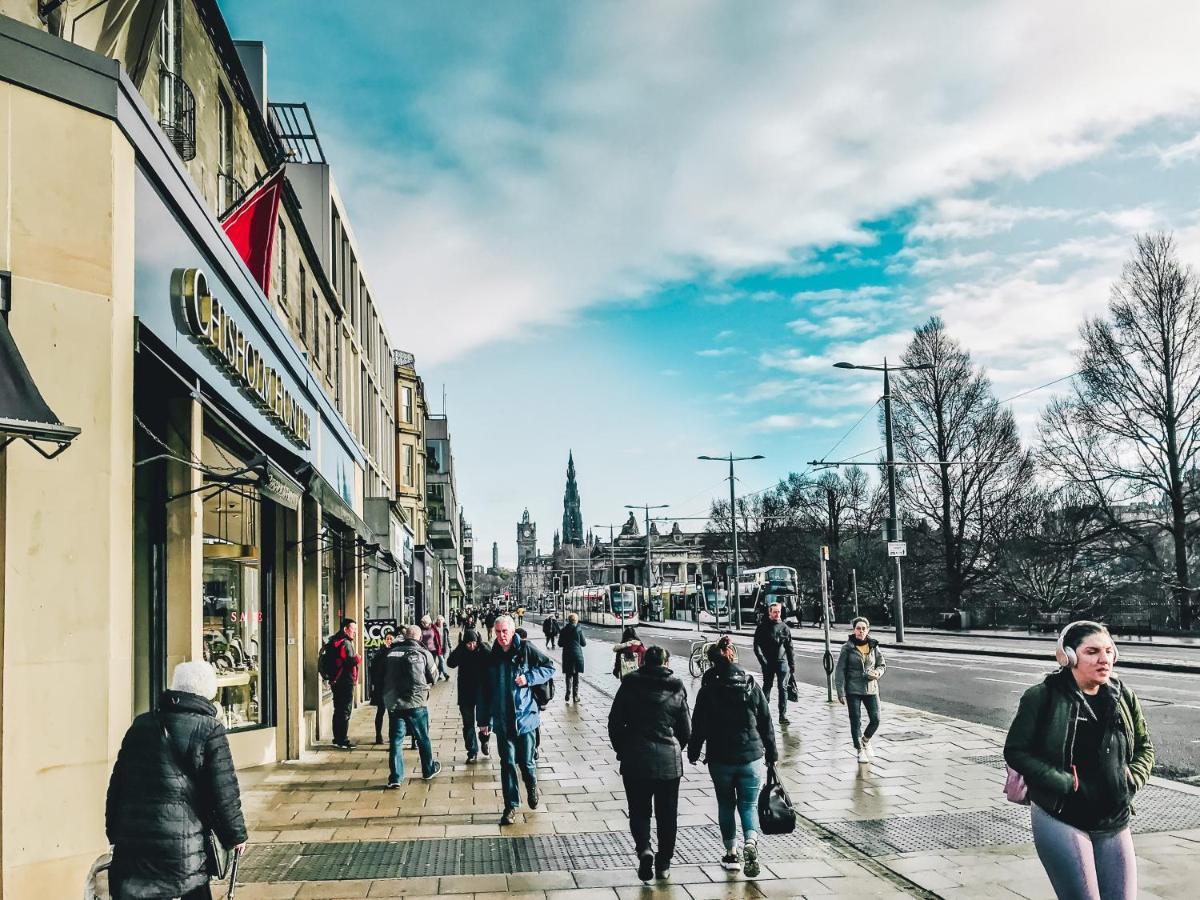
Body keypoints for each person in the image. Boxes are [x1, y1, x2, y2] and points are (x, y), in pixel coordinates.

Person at [1004, 621, 1153, 900]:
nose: (1103, 659)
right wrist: (1063, 781)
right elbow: (1016, 751)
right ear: (1068, 657)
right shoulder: (1043, 697)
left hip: (1114, 817)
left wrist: (1132, 778)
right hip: (1062, 815)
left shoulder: (1123, 696)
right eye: (1092, 651)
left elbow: (1145, 747)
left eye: (1109, 651)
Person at [106, 661, 247, 900]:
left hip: (134, 845)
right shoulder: (210, 729)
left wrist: (114, 832)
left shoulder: (140, 725)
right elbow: (223, 791)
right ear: (208, 692)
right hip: (182, 848)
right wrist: (235, 835)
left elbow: (117, 785)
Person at [688, 635, 776, 878]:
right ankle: (751, 841)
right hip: (751, 756)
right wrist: (772, 752)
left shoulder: (708, 690)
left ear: (711, 662)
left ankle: (731, 854)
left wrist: (694, 751)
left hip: (720, 758)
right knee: (748, 804)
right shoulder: (749, 684)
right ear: (732, 656)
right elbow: (765, 721)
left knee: (726, 804)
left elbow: (699, 725)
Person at [608, 646, 690, 883]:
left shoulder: (629, 685)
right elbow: (686, 730)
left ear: (643, 661)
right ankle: (664, 863)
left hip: (635, 759)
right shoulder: (677, 687)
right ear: (666, 662)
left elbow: (614, 723)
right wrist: (676, 749)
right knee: (667, 815)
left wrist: (622, 749)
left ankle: (644, 849)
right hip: (668, 762)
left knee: (639, 810)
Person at [483, 615, 555, 825]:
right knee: (507, 764)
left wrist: (529, 678)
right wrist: (484, 720)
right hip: (502, 721)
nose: (501, 636)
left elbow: (550, 667)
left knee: (526, 763)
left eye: (504, 631)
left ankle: (531, 785)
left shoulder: (526, 649)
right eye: (497, 632)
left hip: (525, 719)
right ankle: (510, 806)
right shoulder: (492, 656)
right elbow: (485, 690)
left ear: (513, 631)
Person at [381, 624, 442, 787]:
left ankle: (395, 777)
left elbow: (380, 674)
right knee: (423, 737)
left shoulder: (392, 652)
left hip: (395, 702)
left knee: (396, 740)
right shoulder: (423, 652)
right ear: (419, 637)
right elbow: (435, 676)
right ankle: (428, 769)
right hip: (416, 702)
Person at [833, 617, 886, 763]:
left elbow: (882, 664)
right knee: (855, 721)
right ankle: (859, 750)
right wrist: (840, 691)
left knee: (876, 719)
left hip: (871, 688)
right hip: (853, 689)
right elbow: (840, 670)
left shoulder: (873, 646)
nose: (861, 631)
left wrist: (877, 673)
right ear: (854, 630)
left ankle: (866, 740)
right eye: (858, 628)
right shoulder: (847, 648)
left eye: (863, 628)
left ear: (868, 630)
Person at [447, 628, 493, 762]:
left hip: (482, 692)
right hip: (466, 693)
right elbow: (450, 663)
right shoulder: (462, 651)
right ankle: (472, 751)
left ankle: (484, 741)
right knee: (468, 724)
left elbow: (492, 660)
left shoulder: (482, 649)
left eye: (473, 643)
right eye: (468, 643)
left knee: (485, 721)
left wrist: (483, 646)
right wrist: (460, 647)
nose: (471, 646)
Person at [753, 602, 796, 725]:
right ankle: (762, 712)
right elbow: (756, 647)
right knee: (767, 686)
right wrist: (763, 661)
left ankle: (782, 715)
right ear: (770, 612)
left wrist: (792, 664)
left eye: (779, 611)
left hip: (782, 662)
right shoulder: (762, 627)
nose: (777, 614)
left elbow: (789, 647)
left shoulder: (784, 627)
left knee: (782, 687)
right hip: (768, 662)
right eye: (775, 612)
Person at [323, 618, 361, 749]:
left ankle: (337, 738)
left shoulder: (335, 641)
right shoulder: (345, 643)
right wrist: (357, 659)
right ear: (345, 629)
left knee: (338, 710)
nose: (355, 632)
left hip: (336, 681)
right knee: (345, 710)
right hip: (345, 680)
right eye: (353, 629)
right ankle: (342, 740)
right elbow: (349, 661)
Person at [369, 631, 396, 744]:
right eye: (387, 638)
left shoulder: (396, 652)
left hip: (391, 687)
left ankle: (392, 736)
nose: (389, 641)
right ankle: (378, 735)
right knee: (380, 711)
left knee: (392, 713)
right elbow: (373, 667)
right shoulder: (380, 652)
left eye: (391, 638)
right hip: (381, 686)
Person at [558, 612, 587, 703]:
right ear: (576, 620)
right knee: (576, 675)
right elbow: (583, 643)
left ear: (568, 620)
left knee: (568, 675)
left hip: (567, 654)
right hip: (577, 654)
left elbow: (560, 644)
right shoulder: (579, 630)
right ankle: (575, 696)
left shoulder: (563, 630)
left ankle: (568, 692)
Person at [436, 615, 451, 680]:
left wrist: (450, 645)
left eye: (441, 620)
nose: (440, 621)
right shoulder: (435, 628)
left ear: (443, 621)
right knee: (442, 661)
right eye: (438, 620)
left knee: (441, 662)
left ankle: (438, 675)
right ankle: (445, 674)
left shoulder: (445, 628)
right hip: (438, 647)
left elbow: (447, 638)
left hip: (444, 647)